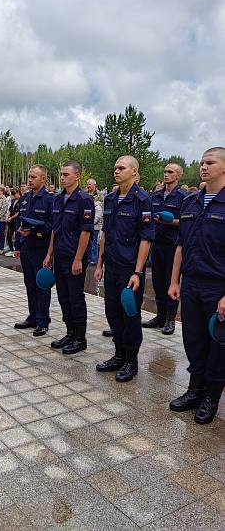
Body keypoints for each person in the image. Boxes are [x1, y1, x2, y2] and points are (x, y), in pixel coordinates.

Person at [168, 147, 225, 424]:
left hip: (218, 287)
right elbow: (180, 244)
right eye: (202, 162)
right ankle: (194, 390)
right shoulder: (190, 202)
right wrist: (174, 280)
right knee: (193, 338)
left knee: (218, 344)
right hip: (190, 283)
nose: (203, 166)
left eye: (210, 162)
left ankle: (211, 397)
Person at [94, 156, 154, 382]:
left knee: (130, 314)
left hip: (130, 269)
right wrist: (99, 264)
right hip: (111, 266)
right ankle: (118, 354)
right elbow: (105, 234)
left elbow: (146, 239)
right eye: (115, 168)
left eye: (121, 168)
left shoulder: (142, 200)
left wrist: (138, 272)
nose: (116, 171)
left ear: (134, 171)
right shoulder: (110, 199)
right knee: (113, 312)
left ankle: (131, 360)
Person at [44, 161, 94, 351]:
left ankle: (80, 339)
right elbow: (55, 230)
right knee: (63, 296)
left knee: (75, 297)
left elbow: (85, 232)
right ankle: (70, 333)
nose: (62, 177)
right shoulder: (58, 199)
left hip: (75, 257)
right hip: (60, 255)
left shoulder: (84, 200)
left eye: (66, 174)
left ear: (77, 176)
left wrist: (78, 259)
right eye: (61, 174)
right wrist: (49, 254)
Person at [142, 164, 187, 334]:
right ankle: (160, 316)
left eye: (170, 172)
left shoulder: (183, 197)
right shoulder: (156, 195)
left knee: (171, 281)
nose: (166, 174)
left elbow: (186, 221)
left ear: (179, 175)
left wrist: (170, 222)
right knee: (158, 281)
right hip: (157, 243)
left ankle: (170, 319)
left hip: (173, 245)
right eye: (165, 171)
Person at [14, 165, 54, 337]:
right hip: (26, 248)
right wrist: (17, 245)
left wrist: (35, 232)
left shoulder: (50, 199)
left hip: (41, 248)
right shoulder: (25, 198)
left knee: (41, 286)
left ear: (43, 179)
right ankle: (33, 317)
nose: (29, 180)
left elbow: (52, 226)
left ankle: (43, 321)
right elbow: (19, 222)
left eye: (33, 177)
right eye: (29, 177)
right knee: (30, 285)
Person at [5, 188, 21, 257]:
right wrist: (8, 216)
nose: (12, 196)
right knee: (9, 235)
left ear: (18, 193)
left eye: (14, 194)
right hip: (11, 221)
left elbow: (18, 212)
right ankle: (11, 249)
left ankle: (17, 249)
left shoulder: (21, 201)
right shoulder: (13, 201)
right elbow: (10, 209)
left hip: (17, 221)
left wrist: (12, 217)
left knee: (17, 236)